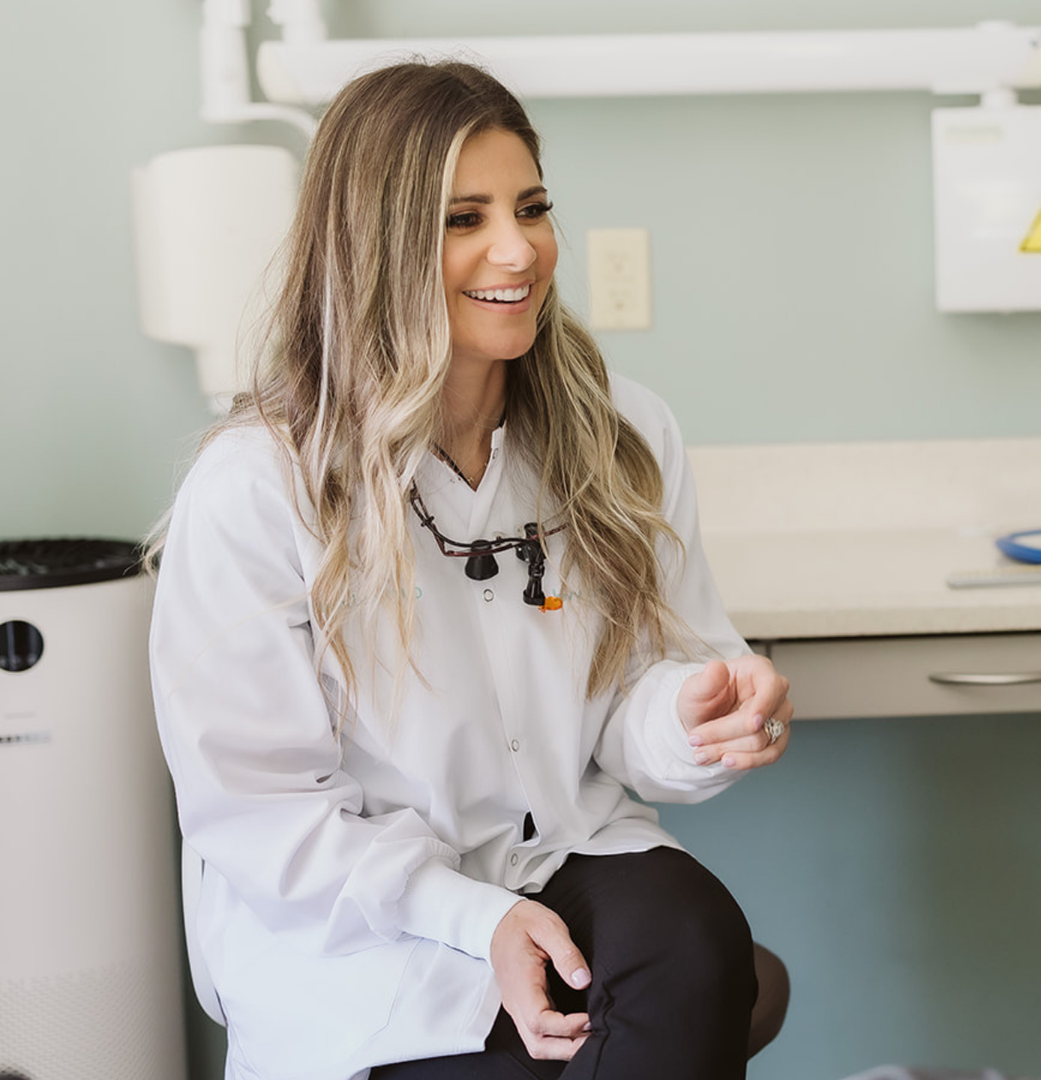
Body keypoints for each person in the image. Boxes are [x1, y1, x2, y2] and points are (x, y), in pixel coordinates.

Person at [149, 61, 793, 1080]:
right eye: (464, 218)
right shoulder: (257, 488)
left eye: (531, 207)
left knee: (695, 940)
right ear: (376, 246)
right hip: (361, 925)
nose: (518, 248)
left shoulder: (619, 433)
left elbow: (636, 698)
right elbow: (262, 816)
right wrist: (474, 918)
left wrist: (694, 715)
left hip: (556, 853)